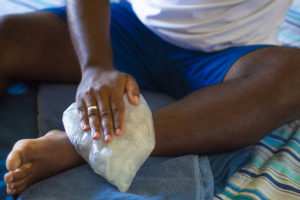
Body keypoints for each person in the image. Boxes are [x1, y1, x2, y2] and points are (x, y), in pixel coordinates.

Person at [2, 0, 300, 196]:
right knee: (8, 37)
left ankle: (80, 144)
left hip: (232, 57)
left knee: (294, 78)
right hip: (133, 28)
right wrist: (95, 65)